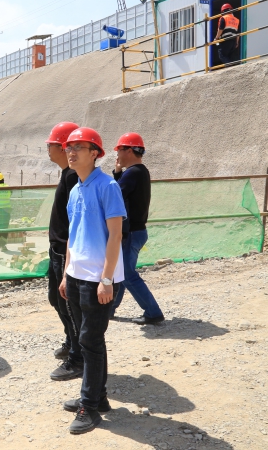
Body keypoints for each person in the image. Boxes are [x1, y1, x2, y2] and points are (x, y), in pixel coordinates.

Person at [58, 127, 126, 435]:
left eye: (78, 147)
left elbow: (116, 235)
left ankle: (89, 406)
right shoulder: (75, 189)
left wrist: (107, 279)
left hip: (99, 279)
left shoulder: (108, 186)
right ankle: (98, 397)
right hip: (76, 276)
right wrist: (66, 273)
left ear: (95, 153)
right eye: (68, 147)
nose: (71, 152)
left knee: (90, 340)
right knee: (88, 340)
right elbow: (72, 237)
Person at [110, 132, 165, 325]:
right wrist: (119, 173)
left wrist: (117, 173)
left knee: (126, 274)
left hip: (131, 233)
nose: (117, 155)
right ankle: (109, 309)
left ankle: (153, 312)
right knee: (122, 272)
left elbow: (114, 195)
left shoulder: (132, 173)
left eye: (119, 150)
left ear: (129, 151)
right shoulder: (140, 171)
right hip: (136, 231)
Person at [44, 122, 83, 382]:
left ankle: (78, 358)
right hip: (57, 249)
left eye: (50, 144)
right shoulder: (67, 174)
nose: (48, 149)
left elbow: (75, 220)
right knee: (57, 300)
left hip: (64, 251)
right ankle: (71, 340)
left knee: (68, 305)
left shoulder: (72, 177)